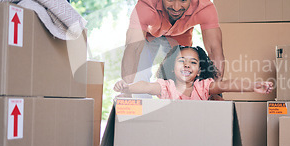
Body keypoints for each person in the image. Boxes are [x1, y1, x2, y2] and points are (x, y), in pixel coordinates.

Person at [120, 0, 225, 97]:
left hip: (180, 37)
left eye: (183, 0)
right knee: (140, 74)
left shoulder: (205, 8)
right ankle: (141, 112)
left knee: (180, 76)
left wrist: (216, 93)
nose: (176, 7)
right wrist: (126, 89)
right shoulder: (145, 7)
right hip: (150, 35)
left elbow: (215, 50)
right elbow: (132, 49)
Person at [114, 46, 273, 100]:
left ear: (199, 71)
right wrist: (127, 87)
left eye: (193, 62)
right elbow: (147, 86)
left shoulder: (203, 87)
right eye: (182, 60)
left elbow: (225, 85)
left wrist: (253, 86)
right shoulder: (166, 87)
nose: (187, 65)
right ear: (171, 67)